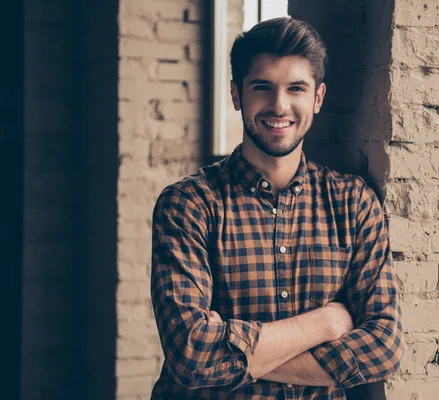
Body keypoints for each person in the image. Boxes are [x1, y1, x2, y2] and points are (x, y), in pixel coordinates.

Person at [150, 17, 404, 399]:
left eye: (296, 89)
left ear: (317, 98)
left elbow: (384, 348)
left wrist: (238, 358)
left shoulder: (354, 204)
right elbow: (191, 353)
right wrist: (324, 323)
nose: (279, 105)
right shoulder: (188, 205)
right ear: (237, 95)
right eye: (262, 88)